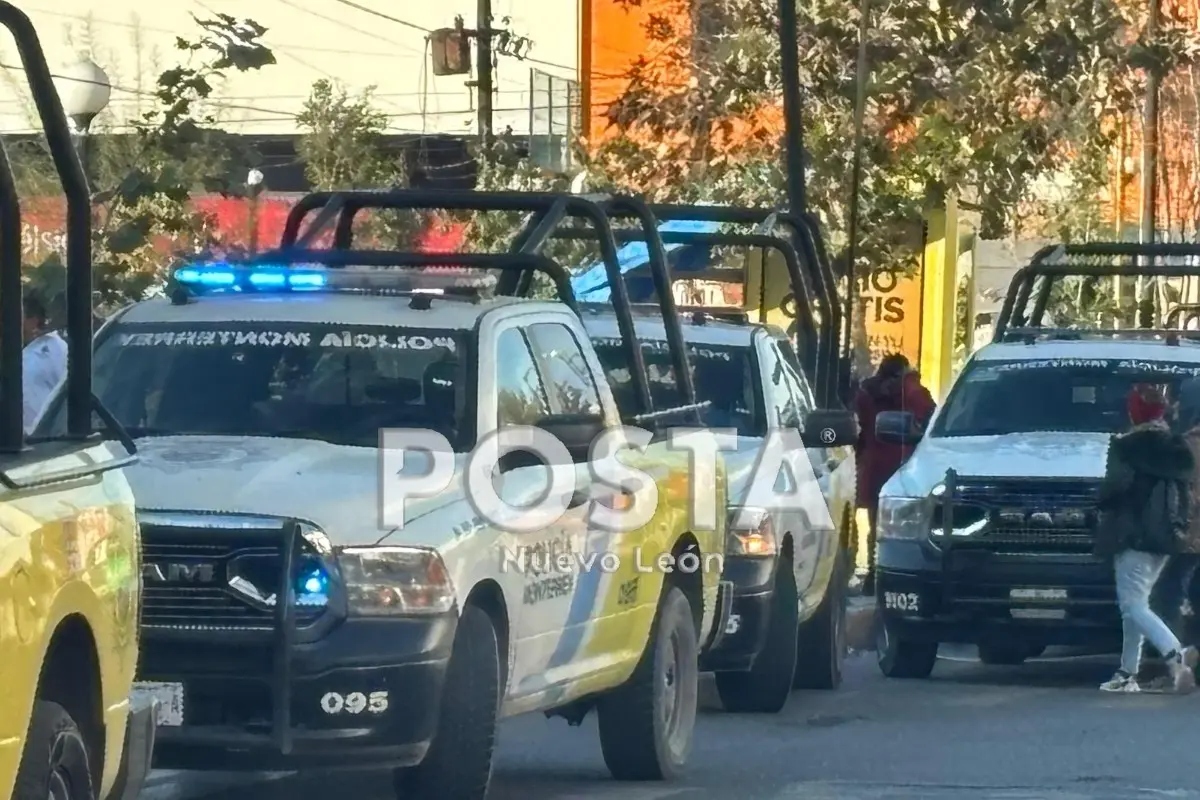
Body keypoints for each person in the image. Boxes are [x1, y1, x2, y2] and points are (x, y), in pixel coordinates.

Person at [1095, 384, 1199, 693]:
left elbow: (1113, 489)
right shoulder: (1178, 448)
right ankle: (1127, 672)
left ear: (1133, 412)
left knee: (1133, 605)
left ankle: (1175, 654)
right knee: (1134, 605)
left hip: (1132, 533)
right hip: (1166, 537)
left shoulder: (1126, 446)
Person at [853, 353, 936, 592]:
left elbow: (858, 429)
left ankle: (872, 573)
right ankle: (895, 574)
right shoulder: (912, 391)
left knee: (875, 523)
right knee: (906, 527)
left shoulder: (866, 393)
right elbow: (929, 418)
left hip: (875, 464)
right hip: (904, 465)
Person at [21, 293, 67, 434]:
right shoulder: (13, 350)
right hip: (14, 439)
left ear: (33, 321)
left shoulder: (55, 348)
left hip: (45, 437)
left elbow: (65, 391)